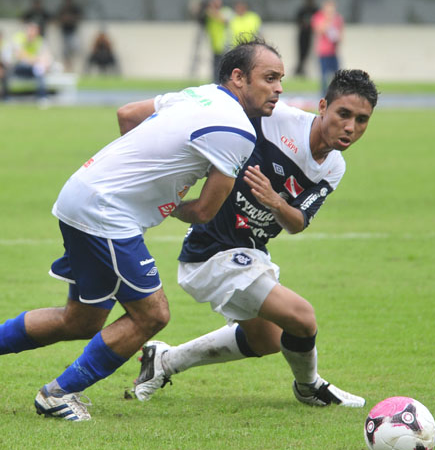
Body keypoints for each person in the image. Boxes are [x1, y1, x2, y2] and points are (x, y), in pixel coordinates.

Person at [0, 38, 286, 421]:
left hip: (81, 193)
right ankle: (58, 394)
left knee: (82, 319)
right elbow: (204, 211)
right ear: (238, 77)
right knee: (152, 315)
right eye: (269, 78)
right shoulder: (238, 130)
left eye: (280, 79)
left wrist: (131, 173)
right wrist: (164, 201)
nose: (279, 88)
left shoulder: (198, 95)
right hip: (106, 212)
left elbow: (127, 114)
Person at [132, 69, 378, 409]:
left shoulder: (334, 165)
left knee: (267, 340)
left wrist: (275, 202)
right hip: (212, 249)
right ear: (323, 107)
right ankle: (309, 387)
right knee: (302, 317)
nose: (350, 127)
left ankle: (165, 361)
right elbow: (225, 117)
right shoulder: (278, 120)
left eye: (362, 120)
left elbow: (297, 222)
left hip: (250, 252)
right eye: (344, 114)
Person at [12, 21, 54, 102]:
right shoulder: (19, 38)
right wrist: (37, 60)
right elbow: (20, 55)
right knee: (38, 68)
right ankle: (42, 96)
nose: (32, 32)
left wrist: (42, 61)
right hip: (19, 67)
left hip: (34, 67)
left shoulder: (40, 41)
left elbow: (47, 56)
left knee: (39, 68)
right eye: (31, 30)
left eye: (34, 30)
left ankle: (41, 96)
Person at [311, 0, 344, 96]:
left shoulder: (338, 18)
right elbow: (319, 30)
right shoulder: (318, 17)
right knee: (324, 76)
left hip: (333, 52)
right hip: (323, 52)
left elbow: (340, 35)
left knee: (337, 75)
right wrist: (328, 20)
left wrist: (337, 38)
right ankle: (323, 95)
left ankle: (336, 93)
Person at [203, 0, 232, 81]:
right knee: (215, 68)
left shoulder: (226, 11)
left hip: (225, 44)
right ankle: (216, 82)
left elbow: (225, 20)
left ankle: (224, 82)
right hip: (215, 45)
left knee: (225, 66)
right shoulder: (208, 13)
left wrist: (212, 11)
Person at [55, 0, 83, 72]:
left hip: (73, 31)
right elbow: (58, 19)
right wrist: (64, 19)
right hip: (64, 31)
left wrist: (70, 18)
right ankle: (67, 66)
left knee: (75, 48)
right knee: (65, 51)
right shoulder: (62, 8)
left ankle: (73, 65)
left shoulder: (75, 8)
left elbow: (79, 18)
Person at [294, 0, 318, 78]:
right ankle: (299, 70)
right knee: (301, 53)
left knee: (308, 53)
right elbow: (297, 21)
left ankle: (301, 69)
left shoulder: (315, 10)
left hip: (310, 35)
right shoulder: (302, 10)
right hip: (302, 35)